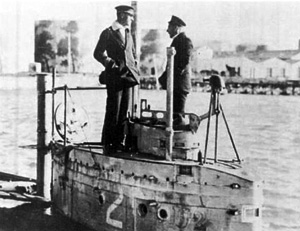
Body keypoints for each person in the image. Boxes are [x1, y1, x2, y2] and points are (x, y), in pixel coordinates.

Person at [93, 5, 139, 154]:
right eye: (130, 16)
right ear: (122, 15)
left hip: (128, 77)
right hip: (114, 77)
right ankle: (108, 142)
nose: (132, 19)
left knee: (124, 110)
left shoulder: (128, 33)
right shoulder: (108, 33)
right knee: (114, 109)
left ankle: (119, 142)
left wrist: (134, 67)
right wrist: (110, 63)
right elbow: (98, 53)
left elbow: (131, 54)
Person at [159, 15, 193, 125]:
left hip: (179, 85)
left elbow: (182, 64)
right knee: (173, 116)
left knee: (178, 118)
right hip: (175, 85)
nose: (167, 30)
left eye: (169, 27)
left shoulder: (185, 41)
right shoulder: (178, 41)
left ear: (176, 28)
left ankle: (177, 140)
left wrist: (166, 78)